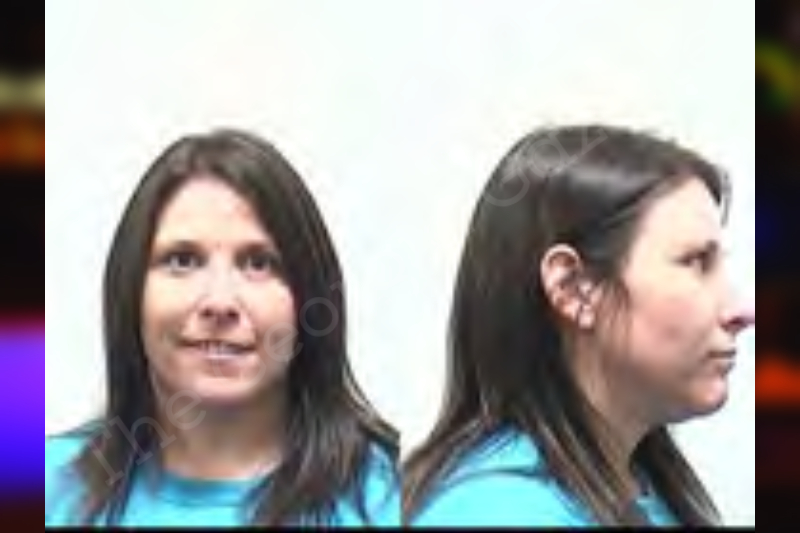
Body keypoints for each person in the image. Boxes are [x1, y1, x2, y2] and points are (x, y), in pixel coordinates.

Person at [403, 124, 755, 527]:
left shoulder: (639, 488)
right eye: (695, 262)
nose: (742, 312)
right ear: (573, 288)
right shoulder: (498, 514)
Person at [45, 128, 400, 526]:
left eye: (259, 263)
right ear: (131, 292)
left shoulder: (393, 502)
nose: (219, 302)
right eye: (182, 260)